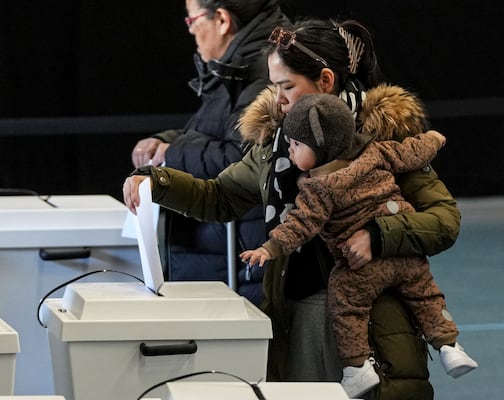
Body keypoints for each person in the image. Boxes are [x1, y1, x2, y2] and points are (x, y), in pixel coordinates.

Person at [123, 18, 461, 399]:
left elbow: (444, 220)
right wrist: (159, 182)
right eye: (274, 87)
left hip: (374, 327)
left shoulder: (386, 139)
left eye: (287, 87)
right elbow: (219, 197)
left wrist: (378, 237)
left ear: (326, 81)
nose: (278, 100)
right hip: (297, 322)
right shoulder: (278, 145)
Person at [239, 93, 477, 398]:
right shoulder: (375, 152)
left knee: (347, 306)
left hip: (362, 266)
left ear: (321, 148)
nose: (289, 148)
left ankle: (357, 368)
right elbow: (412, 152)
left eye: (296, 144)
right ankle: (449, 346)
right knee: (426, 295)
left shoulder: (318, 190)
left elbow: (298, 226)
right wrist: (434, 139)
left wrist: (269, 249)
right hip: (405, 255)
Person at [130, 0, 289, 305]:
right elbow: (214, 131)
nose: (191, 32)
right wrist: (165, 142)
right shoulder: (241, 65)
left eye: (192, 22)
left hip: (239, 266)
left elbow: (240, 158)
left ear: (222, 20)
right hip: (228, 258)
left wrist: (170, 154)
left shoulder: (258, 71)